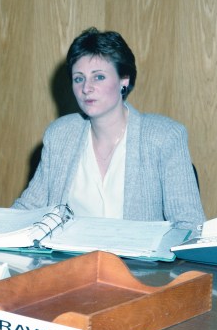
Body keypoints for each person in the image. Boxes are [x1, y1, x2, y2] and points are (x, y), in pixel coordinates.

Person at [13, 27, 205, 230]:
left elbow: (189, 225)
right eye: (79, 78)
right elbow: (29, 208)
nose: (86, 88)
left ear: (124, 80)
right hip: (74, 259)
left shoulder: (164, 137)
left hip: (135, 260)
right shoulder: (60, 135)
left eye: (99, 77)